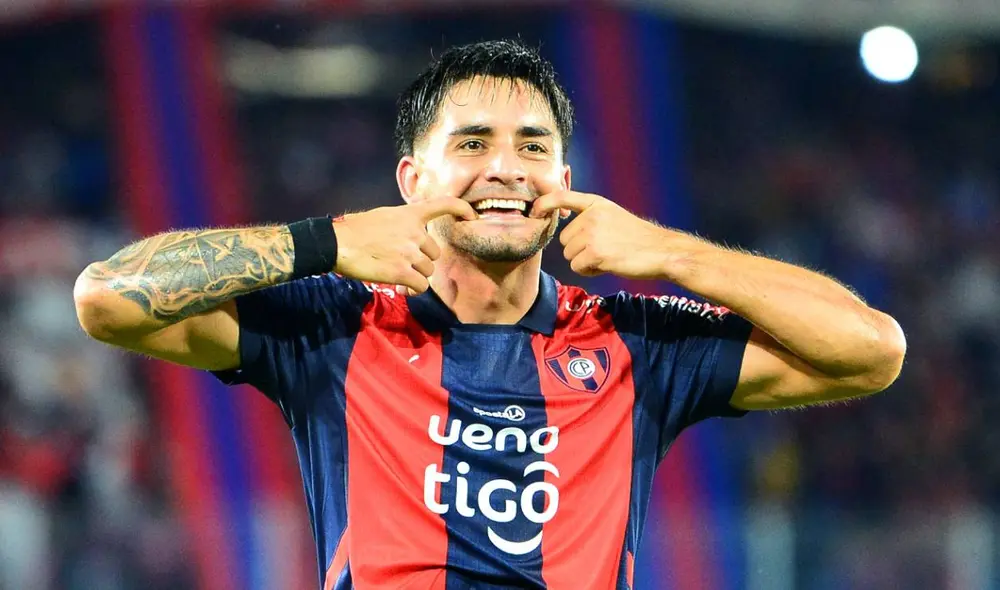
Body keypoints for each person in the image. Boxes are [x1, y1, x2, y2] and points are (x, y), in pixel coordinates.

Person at [73, 39, 906, 590]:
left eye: (533, 147)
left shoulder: (635, 342)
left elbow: (871, 350)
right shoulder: (334, 327)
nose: (506, 168)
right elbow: (109, 298)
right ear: (413, 180)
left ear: (565, 181)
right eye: (472, 143)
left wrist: (673, 252)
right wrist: (320, 241)